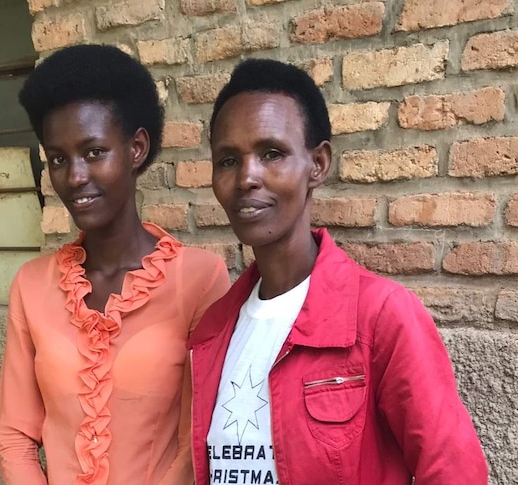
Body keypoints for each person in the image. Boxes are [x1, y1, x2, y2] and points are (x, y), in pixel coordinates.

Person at [188, 59, 488, 484]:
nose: (247, 177)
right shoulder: (214, 331)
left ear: (318, 164)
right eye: (228, 160)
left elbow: (454, 472)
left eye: (272, 153)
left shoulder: (381, 317)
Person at [0, 44, 230, 485]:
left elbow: (195, 442)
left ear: (136, 148)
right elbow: (15, 436)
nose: (75, 177)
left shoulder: (199, 279)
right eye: (59, 159)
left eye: (94, 152)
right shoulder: (31, 286)